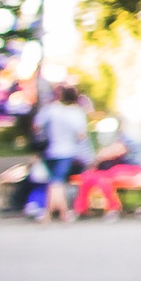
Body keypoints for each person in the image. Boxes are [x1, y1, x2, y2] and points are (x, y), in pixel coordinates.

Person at [31, 83, 93, 224]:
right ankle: (56, 214)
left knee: (54, 181)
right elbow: (81, 134)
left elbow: (36, 126)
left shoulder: (50, 109)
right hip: (67, 151)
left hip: (49, 151)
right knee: (57, 182)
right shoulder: (76, 112)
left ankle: (56, 213)